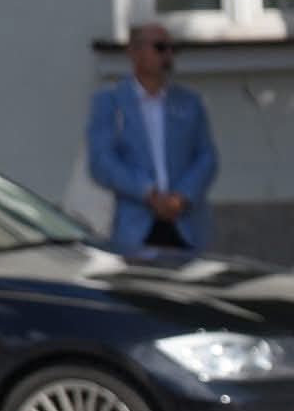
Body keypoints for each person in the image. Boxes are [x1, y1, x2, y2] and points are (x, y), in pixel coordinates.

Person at [85, 22, 219, 253]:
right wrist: (148, 193)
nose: (168, 55)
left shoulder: (189, 102)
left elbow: (207, 157)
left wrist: (182, 196)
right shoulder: (110, 102)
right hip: (133, 226)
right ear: (134, 52)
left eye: (172, 49)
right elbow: (102, 161)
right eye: (160, 47)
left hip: (184, 225)